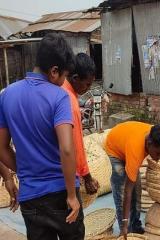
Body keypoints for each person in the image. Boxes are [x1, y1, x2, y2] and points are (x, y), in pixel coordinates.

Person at [0, 33, 83, 240]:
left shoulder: (7, 95)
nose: (64, 81)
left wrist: (25, 170)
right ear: (54, 71)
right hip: (61, 194)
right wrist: (72, 196)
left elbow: (1, 147)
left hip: (31, 197)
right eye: (64, 76)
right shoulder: (59, 97)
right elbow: (66, 148)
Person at [104, 121, 160, 237]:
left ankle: (135, 226)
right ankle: (125, 230)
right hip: (114, 150)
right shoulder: (136, 149)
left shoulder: (155, 134)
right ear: (149, 144)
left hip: (126, 142)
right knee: (122, 192)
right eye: (158, 153)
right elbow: (127, 192)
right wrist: (125, 223)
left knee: (137, 189)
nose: (159, 158)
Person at [61, 53, 99, 195]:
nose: (88, 89)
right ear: (75, 78)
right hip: (66, 176)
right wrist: (87, 177)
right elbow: (74, 144)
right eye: (87, 84)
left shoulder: (58, 89)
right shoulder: (69, 101)